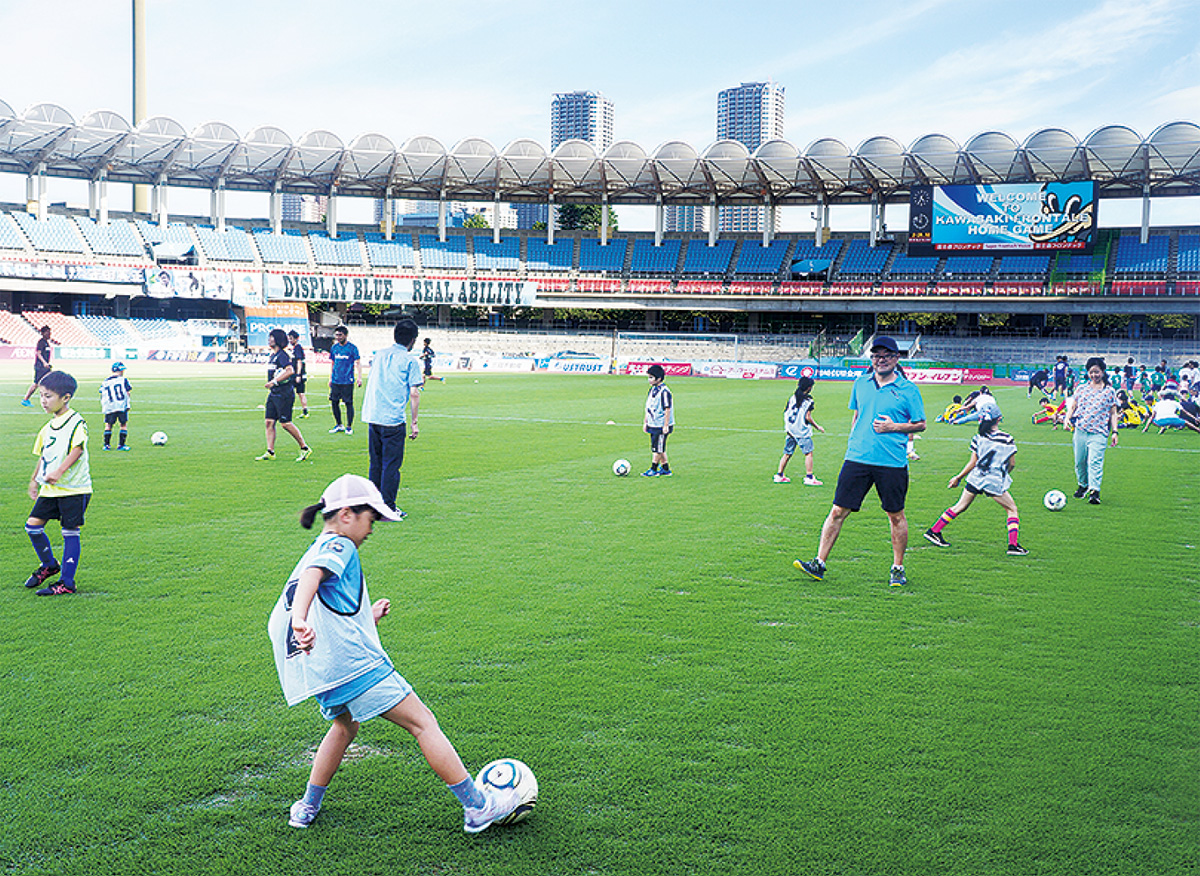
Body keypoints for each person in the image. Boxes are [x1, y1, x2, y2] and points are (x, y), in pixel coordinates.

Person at [267, 474, 521, 832]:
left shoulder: (319, 547)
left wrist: (365, 618)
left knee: (343, 728)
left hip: (325, 671)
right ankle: (478, 807)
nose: (372, 529)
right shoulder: (338, 545)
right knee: (423, 722)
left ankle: (307, 806)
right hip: (354, 667)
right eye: (370, 519)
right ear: (346, 515)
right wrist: (299, 620)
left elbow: (327, 603)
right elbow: (313, 577)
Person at [794, 336, 926, 587]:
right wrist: (853, 442)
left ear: (897, 358)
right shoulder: (861, 383)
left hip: (891, 462)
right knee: (837, 511)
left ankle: (897, 568)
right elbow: (857, 415)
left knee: (895, 515)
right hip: (857, 458)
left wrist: (893, 427)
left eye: (887, 355)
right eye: (877, 355)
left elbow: (921, 424)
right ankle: (819, 563)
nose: (881, 359)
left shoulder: (909, 390)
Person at [923, 400, 1027, 556]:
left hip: (976, 477)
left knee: (960, 506)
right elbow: (1011, 464)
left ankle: (934, 531)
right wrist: (1004, 474)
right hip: (993, 480)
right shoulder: (1007, 439)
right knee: (1012, 509)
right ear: (998, 419)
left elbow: (973, 462)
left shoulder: (978, 437)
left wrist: (958, 477)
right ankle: (1013, 545)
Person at [23, 371, 91, 595]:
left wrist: (60, 471)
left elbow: (78, 449)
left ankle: (67, 583)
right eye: (41, 395)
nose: (43, 401)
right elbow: (43, 456)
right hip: (50, 489)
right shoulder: (47, 428)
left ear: (66, 397)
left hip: (73, 488)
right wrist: (34, 480)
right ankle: (50, 565)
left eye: (48, 396)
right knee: (32, 526)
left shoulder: (76, 422)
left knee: (70, 531)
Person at [362, 319, 423, 513]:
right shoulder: (410, 361)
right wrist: (414, 422)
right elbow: (414, 393)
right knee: (391, 465)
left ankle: (373, 504)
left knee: (376, 463)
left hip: (373, 415)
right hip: (393, 419)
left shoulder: (380, 355)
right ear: (413, 340)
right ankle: (388, 506)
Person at [1063, 356, 1119, 505]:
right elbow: (1073, 406)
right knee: (1080, 462)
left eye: (1097, 372)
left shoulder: (1110, 391)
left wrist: (1115, 432)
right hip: (1080, 431)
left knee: (1095, 462)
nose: (1094, 375)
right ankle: (1083, 485)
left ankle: (1095, 491)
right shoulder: (1081, 388)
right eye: (1091, 372)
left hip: (1099, 433)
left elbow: (1113, 413)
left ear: (1103, 372)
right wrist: (1067, 419)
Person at [257, 328, 312, 462]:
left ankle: (304, 448)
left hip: (284, 393)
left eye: (272, 337)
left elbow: (290, 370)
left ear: (278, 340)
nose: (269, 339)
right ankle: (270, 451)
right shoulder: (273, 356)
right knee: (269, 422)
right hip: (274, 393)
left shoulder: (282, 355)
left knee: (285, 423)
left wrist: (274, 381)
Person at [775, 376, 825, 484]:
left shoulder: (792, 397)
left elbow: (786, 412)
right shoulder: (808, 400)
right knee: (808, 453)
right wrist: (817, 427)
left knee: (787, 453)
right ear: (809, 387)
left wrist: (787, 427)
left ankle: (779, 475)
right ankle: (809, 477)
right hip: (801, 431)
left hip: (791, 429)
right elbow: (808, 417)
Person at [328, 325, 363, 435]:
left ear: (346, 335)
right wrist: (330, 378)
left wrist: (359, 377)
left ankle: (349, 426)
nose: (338, 337)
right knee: (334, 402)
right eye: (336, 335)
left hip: (347, 380)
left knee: (348, 403)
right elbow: (333, 363)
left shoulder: (352, 348)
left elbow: (358, 362)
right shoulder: (334, 348)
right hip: (336, 380)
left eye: (340, 335)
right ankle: (339, 424)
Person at [642, 364, 674, 477]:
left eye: (651, 377)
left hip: (661, 425)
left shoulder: (665, 392)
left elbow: (667, 408)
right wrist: (645, 422)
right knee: (659, 448)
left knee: (657, 449)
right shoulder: (652, 390)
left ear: (658, 378)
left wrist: (666, 425)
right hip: (653, 423)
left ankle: (653, 469)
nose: (649, 380)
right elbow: (648, 407)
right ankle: (665, 469)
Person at [99, 361, 133, 451]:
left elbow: (102, 392)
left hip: (110, 406)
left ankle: (106, 445)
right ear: (121, 370)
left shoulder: (106, 381)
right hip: (121, 405)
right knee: (123, 424)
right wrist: (128, 404)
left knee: (108, 425)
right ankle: (121, 445)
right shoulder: (123, 380)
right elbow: (127, 392)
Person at [21, 325, 53, 406]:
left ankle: (47, 399)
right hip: (40, 366)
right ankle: (25, 399)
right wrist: (44, 363)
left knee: (48, 382)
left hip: (45, 367)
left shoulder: (46, 343)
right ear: (43, 333)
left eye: (50, 332)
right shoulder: (41, 342)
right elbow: (38, 353)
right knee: (36, 384)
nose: (49, 334)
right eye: (47, 332)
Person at [287, 329, 310, 419]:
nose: (290, 340)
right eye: (289, 339)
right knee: (300, 393)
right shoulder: (295, 348)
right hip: (298, 374)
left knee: (296, 393)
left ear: (296, 339)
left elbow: (299, 362)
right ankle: (305, 412)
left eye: (291, 338)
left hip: (297, 375)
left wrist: (297, 375)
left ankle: (291, 410)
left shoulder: (298, 348)